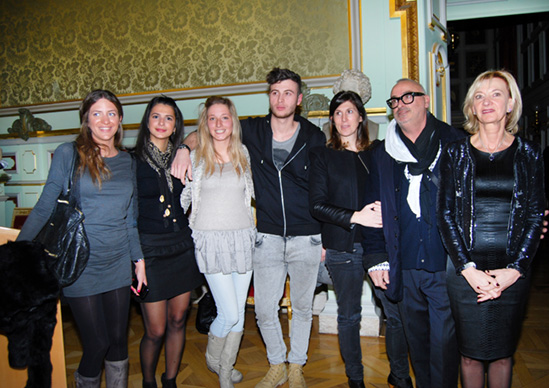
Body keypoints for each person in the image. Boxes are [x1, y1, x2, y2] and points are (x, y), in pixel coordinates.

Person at [172, 68, 326, 388]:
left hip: (305, 235)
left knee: (300, 308)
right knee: (265, 311)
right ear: (268, 96)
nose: (280, 99)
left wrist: (325, 235)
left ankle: (295, 366)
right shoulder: (252, 131)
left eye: (287, 93)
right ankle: (274, 364)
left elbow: (323, 187)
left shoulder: (314, 135)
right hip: (265, 235)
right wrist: (184, 149)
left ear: (298, 99)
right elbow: (209, 128)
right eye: (274, 92)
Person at [17, 89, 145, 388]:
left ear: (120, 119)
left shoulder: (128, 162)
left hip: (117, 263)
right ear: (86, 119)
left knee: (117, 341)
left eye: (111, 113)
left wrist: (138, 260)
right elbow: (45, 206)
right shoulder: (68, 153)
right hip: (80, 264)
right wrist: (17, 254)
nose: (105, 120)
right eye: (97, 113)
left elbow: (131, 218)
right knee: (97, 343)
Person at [437, 69, 545, 387]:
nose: (487, 102)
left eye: (496, 94)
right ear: (471, 106)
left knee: (501, 355)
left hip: (511, 271)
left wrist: (516, 270)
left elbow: (536, 214)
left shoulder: (529, 154)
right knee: (469, 356)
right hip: (463, 271)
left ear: (510, 104)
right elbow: (445, 215)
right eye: (480, 96)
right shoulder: (455, 153)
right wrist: (468, 270)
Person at [362, 78, 462, 388]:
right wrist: (377, 257)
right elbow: (372, 208)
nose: (400, 105)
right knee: (417, 343)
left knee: (445, 344)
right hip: (403, 265)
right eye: (394, 101)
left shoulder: (456, 144)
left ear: (426, 100)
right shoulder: (382, 153)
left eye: (408, 97)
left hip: (445, 264)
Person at [309, 91, 412, 388]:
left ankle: (400, 374)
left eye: (350, 112)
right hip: (343, 246)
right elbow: (316, 204)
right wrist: (357, 216)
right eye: (338, 113)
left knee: (395, 314)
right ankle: (355, 377)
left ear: (361, 117)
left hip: (380, 246)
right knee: (349, 316)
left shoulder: (378, 152)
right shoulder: (321, 155)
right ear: (331, 119)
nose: (344, 118)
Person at [181, 96, 255, 388]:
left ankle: (226, 369)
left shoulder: (243, 153)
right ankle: (214, 360)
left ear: (232, 121)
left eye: (224, 117)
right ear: (205, 123)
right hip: (210, 242)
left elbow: (255, 193)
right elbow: (182, 199)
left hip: (242, 239)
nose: (218, 124)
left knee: (237, 318)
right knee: (229, 312)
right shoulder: (196, 156)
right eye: (212, 118)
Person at [132, 96, 203, 388]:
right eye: (156, 117)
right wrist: (136, 258)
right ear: (147, 121)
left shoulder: (181, 155)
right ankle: (149, 381)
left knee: (177, 320)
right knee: (156, 330)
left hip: (181, 247)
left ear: (176, 125)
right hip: (148, 250)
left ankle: (170, 380)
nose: (162, 123)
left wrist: (185, 147)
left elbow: (205, 131)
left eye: (169, 118)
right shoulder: (131, 159)